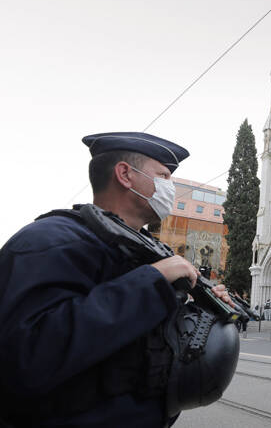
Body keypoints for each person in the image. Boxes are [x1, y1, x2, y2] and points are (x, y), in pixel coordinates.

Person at [0, 132, 237, 427]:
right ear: (125, 174)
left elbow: (158, 347)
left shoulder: (152, 252)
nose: (170, 188)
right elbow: (25, 358)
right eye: (163, 176)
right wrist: (153, 281)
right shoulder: (49, 241)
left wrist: (207, 311)